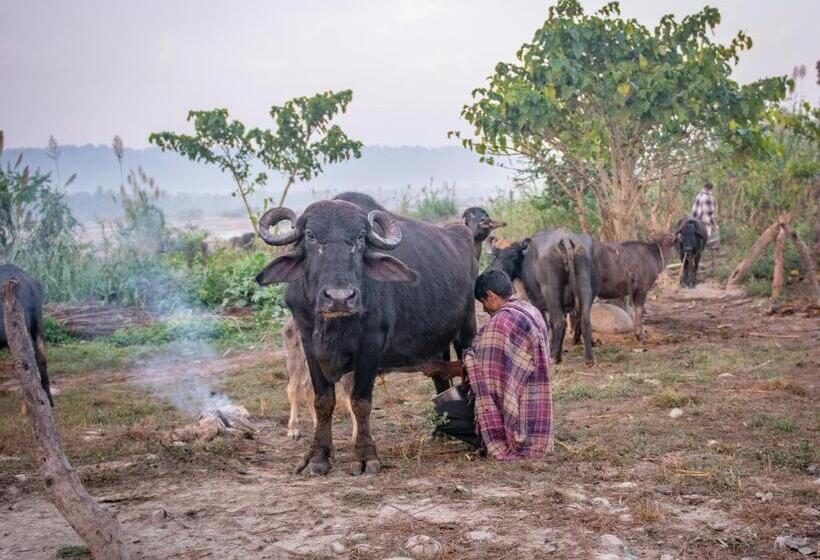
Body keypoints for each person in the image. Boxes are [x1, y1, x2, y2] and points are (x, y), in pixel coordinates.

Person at [427, 269, 553, 461]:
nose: (485, 310)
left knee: (439, 416)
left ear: (491, 296)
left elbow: (481, 368)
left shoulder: (501, 322)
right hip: (536, 412)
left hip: (514, 411)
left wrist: (443, 368)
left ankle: (492, 439)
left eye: (483, 303)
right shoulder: (531, 311)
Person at [691, 182, 720, 251]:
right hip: (705, 221)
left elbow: (694, 210)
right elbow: (709, 211)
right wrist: (712, 221)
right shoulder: (709, 197)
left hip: (695, 220)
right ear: (710, 189)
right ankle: (714, 247)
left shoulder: (698, 196)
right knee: (716, 230)